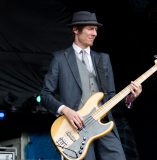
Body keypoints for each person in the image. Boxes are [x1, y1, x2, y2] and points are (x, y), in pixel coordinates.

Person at [41, 11, 142, 160]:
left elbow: (110, 97)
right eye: (90, 28)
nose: (95, 33)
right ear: (75, 29)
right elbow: (45, 95)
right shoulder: (60, 58)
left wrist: (129, 99)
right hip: (76, 128)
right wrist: (66, 111)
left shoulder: (103, 59)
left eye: (96, 30)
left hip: (103, 123)